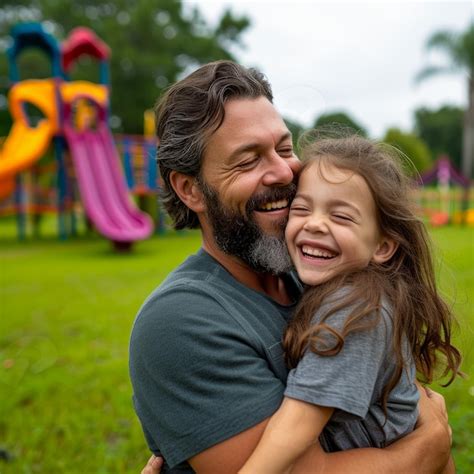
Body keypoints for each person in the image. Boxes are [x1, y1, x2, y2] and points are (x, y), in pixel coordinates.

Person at [129, 60, 453, 473]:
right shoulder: (180, 322)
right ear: (191, 189)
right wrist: (430, 445)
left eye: (284, 148)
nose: (284, 172)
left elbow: (401, 398)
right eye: (248, 160)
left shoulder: (327, 276)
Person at [238, 134, 461, 473]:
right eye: (301, 208)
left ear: (382, 247)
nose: (314, 223)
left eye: (341, 217)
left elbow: (296, 427)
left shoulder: (356, 312)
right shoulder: (346, 289)